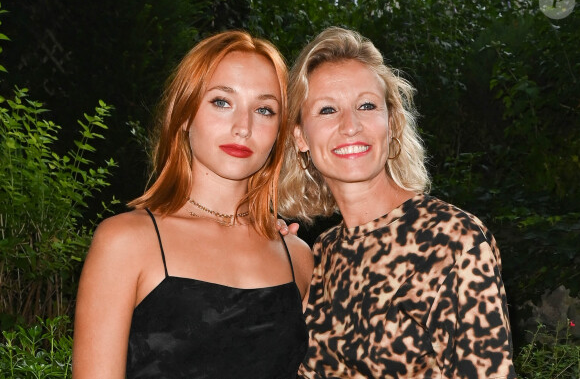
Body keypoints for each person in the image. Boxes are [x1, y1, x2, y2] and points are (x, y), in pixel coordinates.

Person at [72, 30, 313, 379]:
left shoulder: (298, 257)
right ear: (184, 113)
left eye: (264, 110)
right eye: (221, 101)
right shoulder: (125, 242)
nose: (242, 127)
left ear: (280, 132)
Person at [278, 27, 516, 379]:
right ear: (300, 137)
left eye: (366, 105)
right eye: (328, 109)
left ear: (392, 123)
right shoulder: (325, 253)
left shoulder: (453, 240)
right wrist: (272, 257)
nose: (351, 125)